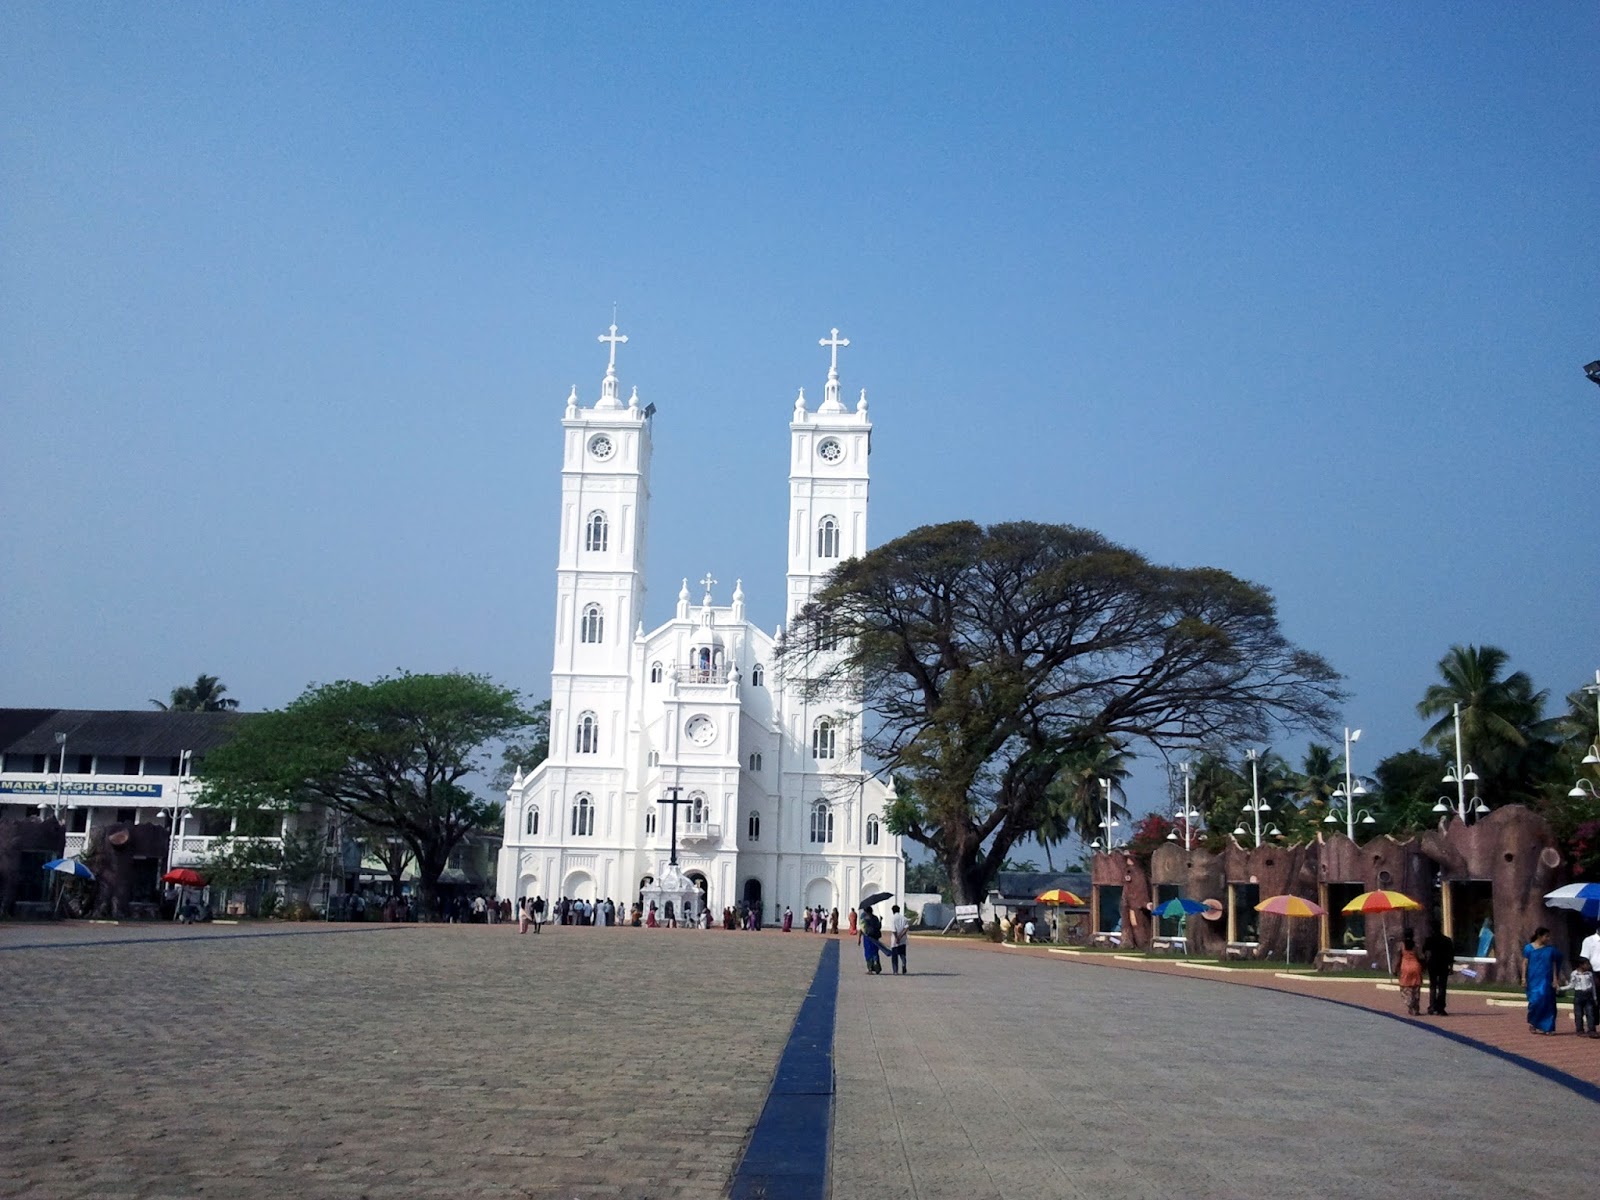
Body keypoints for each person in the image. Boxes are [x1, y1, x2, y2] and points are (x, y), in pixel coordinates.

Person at [1522, 926, 1564, 1034]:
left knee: (1548, 1002)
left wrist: (1555, 979)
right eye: (1546, 936)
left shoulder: (1550, 950)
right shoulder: (1528, 948)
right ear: (1539, 936)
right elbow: (1525, 963)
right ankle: (1533, 1022)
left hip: (1546, 979)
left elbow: (1554, 964)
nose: (1548, 938)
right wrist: (1523, 978)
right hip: (1533, 979)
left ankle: (1548, 1027)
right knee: (1535, 1002)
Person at [1422, 923, 1455, 1015]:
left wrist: (1425, 963)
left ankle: (1432, 1006)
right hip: (1443, 965)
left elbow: (1424, 951)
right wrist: (1451, 967)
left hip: (1432, 965)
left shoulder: (1429, 940)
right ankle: (1441, 1007)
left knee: (1433, 986)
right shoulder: (1446, 940)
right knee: (1442, 987)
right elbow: (1451, 955)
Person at [1394, 928, 1424, 1016]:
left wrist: (1395, 969)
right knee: (1416, 988)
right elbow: (1420, 957)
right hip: (1416, 967)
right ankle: (1415, 1009)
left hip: (1405, 968)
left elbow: (1398, 958)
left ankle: (1409, 1004)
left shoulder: (1401, 945)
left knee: (1405, 988)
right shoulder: (1415, 945)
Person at [1570, 956, 1598, 1038]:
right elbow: (1571, 985)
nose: (1588, 966)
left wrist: (1595, 997)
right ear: (1581, 965)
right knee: (1578, 1014)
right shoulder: (1574, 974)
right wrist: (1560, 988)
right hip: (1579, 995)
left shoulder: (1589, 974)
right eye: (1586, 964)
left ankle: (1592, 1030)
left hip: (1588, 995)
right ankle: (1580, 1030)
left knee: (1590, 1013)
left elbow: (1593, 986)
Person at [861, 904, 884, 975]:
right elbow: (879, 927)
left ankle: (870, 969)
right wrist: (881, 921)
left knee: (868, 953)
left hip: (867, 938)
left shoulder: (864, 919)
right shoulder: (876, 918)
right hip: (875, 937)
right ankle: (877, 968)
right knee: (875, 952)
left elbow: (862, 929)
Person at [888, 904, 910, 975]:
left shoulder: (892, 918)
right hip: (903, 939)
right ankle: (904, 964)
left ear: (892, 911)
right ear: (899, 910)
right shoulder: (904, 918)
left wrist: (897, 938)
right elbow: (906, 928)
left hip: (895, 941)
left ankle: (895, 971)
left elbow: (893, 930)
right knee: (902, 954)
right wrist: (900, 937)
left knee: (894, 956)